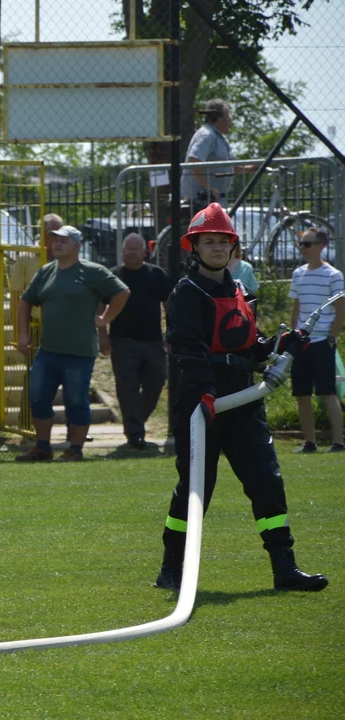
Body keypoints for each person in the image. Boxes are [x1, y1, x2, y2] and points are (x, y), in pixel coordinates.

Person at [154, 202, 327, 592]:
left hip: (245, 397)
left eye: (223, 242)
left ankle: (285, 567)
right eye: (209, 242)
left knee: (267, 480)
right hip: (202, 403)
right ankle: (171, 568)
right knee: (197, 486)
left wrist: (280, 344)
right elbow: (188, 348)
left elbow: (250, 346)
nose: (217, 248)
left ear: (233, 247)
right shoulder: (185, 293)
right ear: (194, 247)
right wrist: (206, 393)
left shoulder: (241, 290)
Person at [16, 226, 130, 462]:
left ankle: (75, 450)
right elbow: (26, 300)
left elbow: (122, 292)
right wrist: (23, 334)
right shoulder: (47, 271)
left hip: (79, 353)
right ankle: (43, 447)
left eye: (63, 240)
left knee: (76, 401)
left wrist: (105, 319)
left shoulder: (92, 271)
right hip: (47, 351)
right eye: (55, 240)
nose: (57, 243)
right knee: (37, 397)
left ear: (77, 246)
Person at [98, 233, 172, 449]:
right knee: (127, 387)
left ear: (144, 252)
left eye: (136, 248)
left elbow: (168, 304)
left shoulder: (156, 275)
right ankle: (134, 434)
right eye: (128, 248)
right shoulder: (112, 276)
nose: (131, 252)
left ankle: (135, 422)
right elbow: (101, 306)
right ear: (122, 251)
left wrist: (172, 333)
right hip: (122, 341)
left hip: (153, 341)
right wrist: (102, 335)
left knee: (157, 380)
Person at [288, 228, 344, 453]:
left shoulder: (333, 275)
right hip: (302, 342)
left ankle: (338, 442)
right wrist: (293, 335)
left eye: (307, 244)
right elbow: (297, 307)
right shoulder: (298, 273)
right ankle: (309, 442)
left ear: (321, 246)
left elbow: (341, 311)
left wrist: (331, 337)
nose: (303, 248)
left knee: (327, 392)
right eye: (301, 244)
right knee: (301, 393)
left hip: (322, 341)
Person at [181, 99, 253, 214]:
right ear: (218, 118)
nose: (230, 120)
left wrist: (255, 168)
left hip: (214, 201)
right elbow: (194, 160)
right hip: (201, 201)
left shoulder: (219, 138)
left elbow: (234, 167)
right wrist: (208, 187)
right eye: (227, 116)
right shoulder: (206, 135)